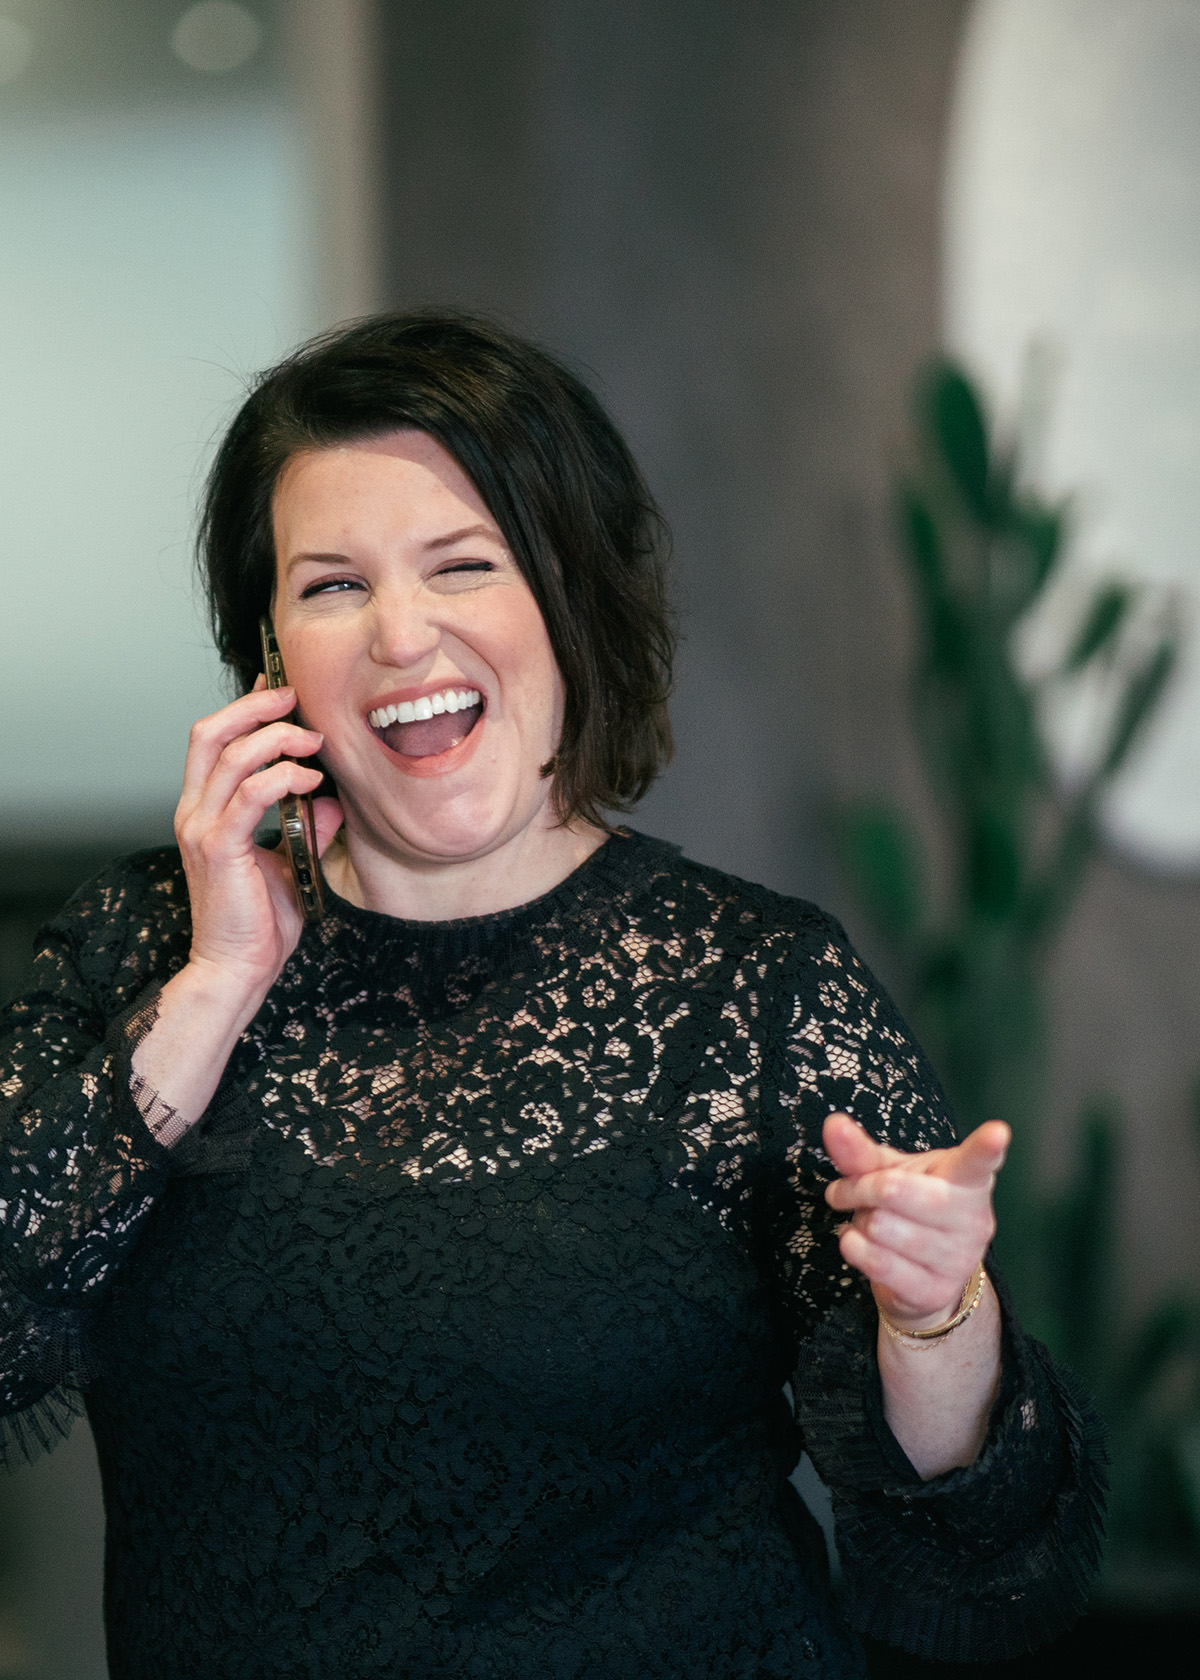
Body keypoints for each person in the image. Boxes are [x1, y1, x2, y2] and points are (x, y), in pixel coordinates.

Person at [0, 312, 1104, 1680]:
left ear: (568, 604)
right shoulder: (143, 945)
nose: (402, 634)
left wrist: (936, 1312)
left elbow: (980, 1541)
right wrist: (218, 982)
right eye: (333, 585)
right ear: (270, 655)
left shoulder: (751, 985)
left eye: (464, 565)